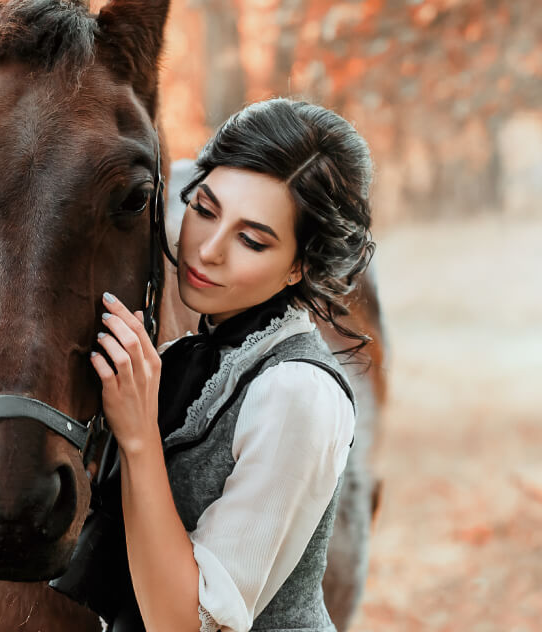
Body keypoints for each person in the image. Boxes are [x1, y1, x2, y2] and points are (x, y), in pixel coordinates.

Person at [49, 98, 377, 632]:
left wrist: (138, 438)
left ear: (299, 265)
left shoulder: (297, 394)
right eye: (204, 210)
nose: (209, 250)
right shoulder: (189, 358)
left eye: (251, 239)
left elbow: (185, 624)